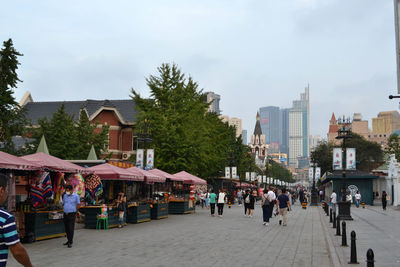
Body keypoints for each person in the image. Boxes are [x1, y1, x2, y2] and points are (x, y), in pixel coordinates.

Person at [0, 174, 34, 267]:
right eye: (7, 190)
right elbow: (17, 251)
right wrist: (29, 266)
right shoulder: (5, 218)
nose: (7, 193)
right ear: (1, 191)